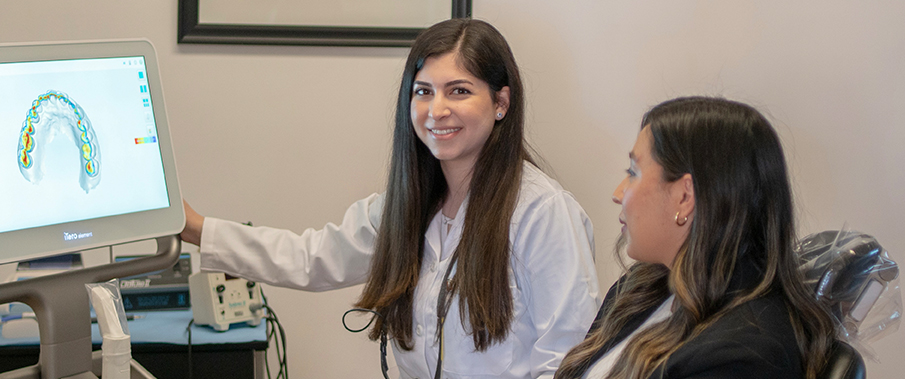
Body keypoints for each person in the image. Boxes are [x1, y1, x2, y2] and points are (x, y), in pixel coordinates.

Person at [180, 18, 600, 378]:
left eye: (459, 91)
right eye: (423, 91)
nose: (436, 110)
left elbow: (569, 360)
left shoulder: (542, 212)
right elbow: (310, 257)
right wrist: (195, 228)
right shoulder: (407, 206)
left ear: (501, 102)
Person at [554, 97, 838, 379]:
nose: (618, 193)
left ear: (685, 196)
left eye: (633, 172)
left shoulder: (744, 356)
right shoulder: (641, 288)